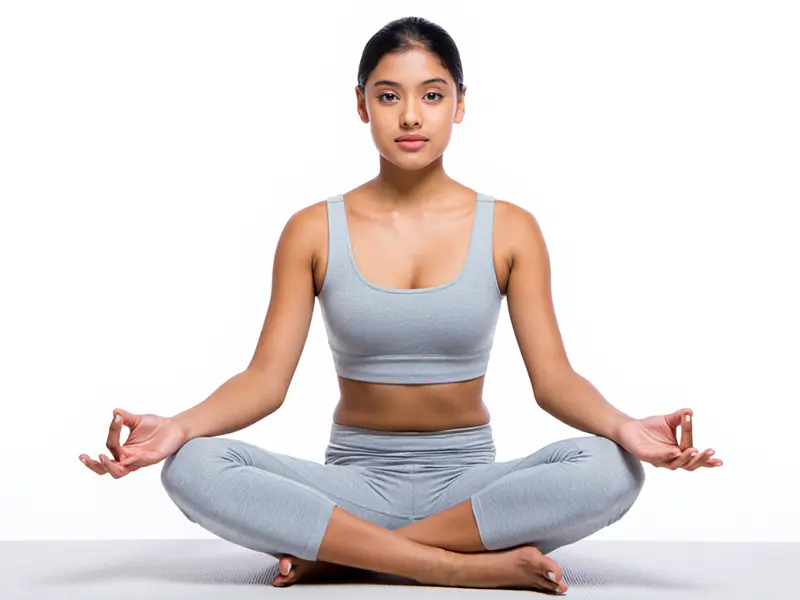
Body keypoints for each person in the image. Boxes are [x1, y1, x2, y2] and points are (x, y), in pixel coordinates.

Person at [79, 16, 723, 595]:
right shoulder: (312, 230)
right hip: (350, 487)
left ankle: (346, 558)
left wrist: (625, 428)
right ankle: (452, 565)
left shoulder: (510, 230)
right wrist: (179, 426)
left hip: (471, 489)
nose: (410, 116)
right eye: (389, 95)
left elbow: (553, 381)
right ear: (361, 106)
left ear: (460, 105)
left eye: (432, 94)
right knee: (192, 465)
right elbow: (264, 382)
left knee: (613, 468)